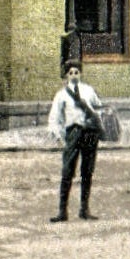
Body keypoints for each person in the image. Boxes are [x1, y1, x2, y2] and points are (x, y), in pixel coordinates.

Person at [48, 61, 107, 222]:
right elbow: (55, 117)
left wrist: (95, 117)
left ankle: (84, 209)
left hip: (89, 134)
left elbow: (99, 108)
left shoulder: (89, 91)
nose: (74, 75)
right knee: (67, 171)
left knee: (87, 171)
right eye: (70, 73)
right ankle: (62, 211)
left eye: (76, 72)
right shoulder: (61, 95)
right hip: (73, 133)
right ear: (66, 75)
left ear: (80, 74)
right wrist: (58, 136)